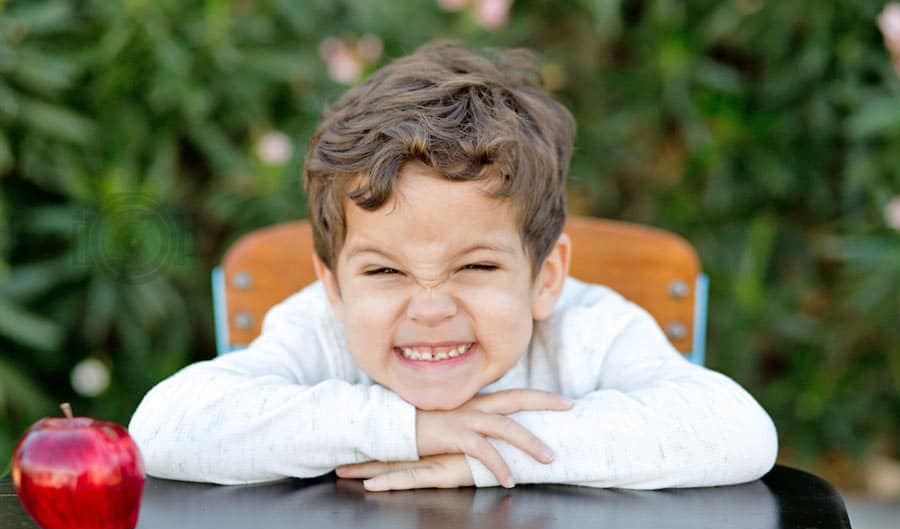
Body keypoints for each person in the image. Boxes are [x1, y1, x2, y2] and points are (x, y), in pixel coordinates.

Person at [129, 41, 777, 491]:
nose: (431, 308)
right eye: (383, 272)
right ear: (332, 286)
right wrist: (411, 428)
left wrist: (485, 451)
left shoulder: (590, 330)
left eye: (474, 268)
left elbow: (738, 433)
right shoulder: (318, 331)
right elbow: (162, 431)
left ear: (545, 278)